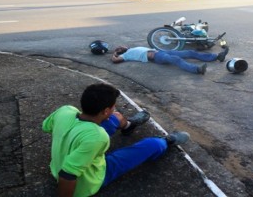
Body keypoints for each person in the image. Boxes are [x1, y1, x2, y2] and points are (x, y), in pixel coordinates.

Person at [42, 83, 190, 197]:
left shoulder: (65, 110)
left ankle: (129, 125)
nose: (114, 109)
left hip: (61, 160)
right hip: (88, 180)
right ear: (105, 110)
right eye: (113, 107)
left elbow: (47, 127)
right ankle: (165, 142)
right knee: (151, 144)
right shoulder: (98, 136)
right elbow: (67, 175)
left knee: (115, 118)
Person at [111, 46, 229, 75]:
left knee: (189, 52)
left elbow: (124, 46)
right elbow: (115, 60)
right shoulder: (126, 55)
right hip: (157, 58)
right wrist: (115, 53)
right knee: (176, 59)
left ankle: (216, 57)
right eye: (120, 48)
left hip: (161, 52)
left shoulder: (131, 48)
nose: (121, 46)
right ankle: (197, 70)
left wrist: (121, 48)